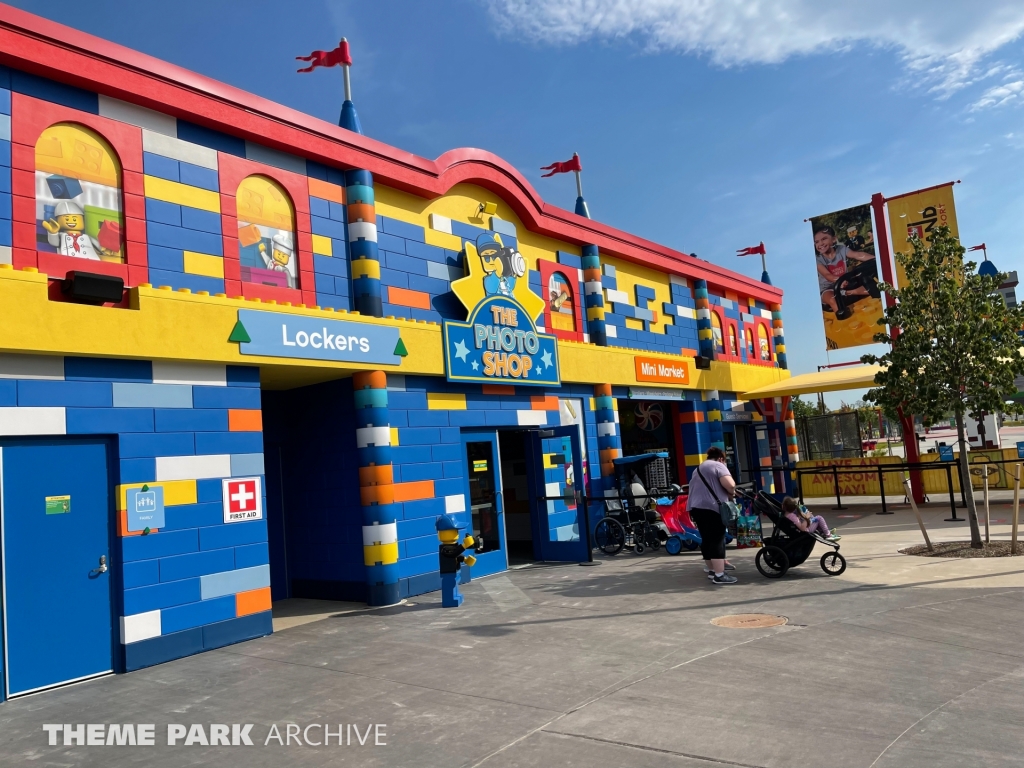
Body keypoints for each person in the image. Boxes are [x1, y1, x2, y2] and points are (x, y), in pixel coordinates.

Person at [686, 446, 738, 584]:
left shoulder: (698, 468)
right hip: (713, 508)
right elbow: (731, 485)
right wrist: (732, 493)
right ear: (721, 458)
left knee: (707, 539)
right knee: (717, 540)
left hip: (696, 507)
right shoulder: (718, 465)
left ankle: (712, 571)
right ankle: (719, 575)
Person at [814, 225, 875, 314]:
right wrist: (839, 280)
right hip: (828, 289)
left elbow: (857, 255)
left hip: (845, 283)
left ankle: (850, 293)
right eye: (817, 242)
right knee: (832, 299)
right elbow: (827, 275)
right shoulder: (818, 259)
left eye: (824, 239)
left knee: (871, 286)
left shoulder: (841, 249)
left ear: (834, 239)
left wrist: (875, 258)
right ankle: (843, 317)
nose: (820, 244)